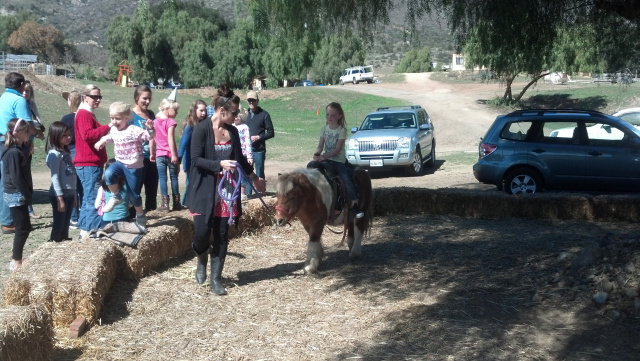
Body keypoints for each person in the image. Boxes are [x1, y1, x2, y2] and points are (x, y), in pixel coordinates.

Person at [184, 84, 265, 295]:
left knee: (221, 234)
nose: (238, 116)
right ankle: (201, 258)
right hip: (204, 189)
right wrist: (218, 165)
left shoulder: (233, 132)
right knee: (201, 233)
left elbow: (241, 161)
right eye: (235, 112)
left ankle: (216, 278)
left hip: (227, 190)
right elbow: (195, 160)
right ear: (222, 111)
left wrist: (255, 178)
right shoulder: (200, 129)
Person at [94, 102, 154, 229]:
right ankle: (116, 196)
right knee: (108, 174)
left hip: (134, 167)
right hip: (120, 162)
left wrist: (150, 128)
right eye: (112, 118)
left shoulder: (133, 130)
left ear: (127, 117)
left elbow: (149, 136)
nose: (114, 121)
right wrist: (102, 141)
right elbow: (110, 137)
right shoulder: (114, 129)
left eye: (118, 118)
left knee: (133, 195)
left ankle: (140, 215)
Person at [0, 72, 43, 235]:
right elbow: (26, 124)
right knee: (11, 179)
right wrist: (37, 134)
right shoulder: (19, 100)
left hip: (2, 140)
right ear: (22, 85)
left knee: (4, 180)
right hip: (11, 143)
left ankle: (6, 218)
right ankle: (8, 222)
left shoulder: (2, 97)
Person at [312, 102, 364, 219]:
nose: (329, 118)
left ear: (340, 116)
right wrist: (317, 154)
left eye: (333, 115)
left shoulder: (342, 130)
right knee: (310, 167)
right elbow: (320, 146)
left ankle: (354, 203)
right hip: (326, 159)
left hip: (338, 161)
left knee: (345, 179)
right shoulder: (323, 129)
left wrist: (324, 157)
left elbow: (337, 149)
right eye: (327, 115)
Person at [74, 84, 112, 237]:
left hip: (89, 163)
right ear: (85, 97)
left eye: (99, 97)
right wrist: (108, 126)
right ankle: (88, 230)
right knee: (91, 198)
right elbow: (88, 135)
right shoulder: (84, 114)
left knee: (88, 198)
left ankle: (84, 228)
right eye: (94, 96)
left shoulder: (86, 113)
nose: (97, 100)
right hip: (88, 163)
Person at [1, 119, 33, 270]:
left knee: (24, 228)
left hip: (19, 193)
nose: (29, 134)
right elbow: (16, 177)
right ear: (18, 133)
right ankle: (16, 262)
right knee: (22, 228)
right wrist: (27, 195)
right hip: (16, 194)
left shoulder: (18, 150)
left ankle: (17, 259)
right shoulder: (13, 152)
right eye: (27, 131)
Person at [45, 121, 76, 242]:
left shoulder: (65, 152)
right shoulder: (54, 154)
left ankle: (64, 244)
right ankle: (53, 245)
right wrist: (60, 199)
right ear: (56, 136)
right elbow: (55, 177)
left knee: (66, 224)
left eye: (69, 134)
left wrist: (74, 196)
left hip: (69, 193)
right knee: (59, 225)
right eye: (65, 135)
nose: (69, 137)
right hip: (60, 195)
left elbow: (71, 175)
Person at [131, 85, 158, 213]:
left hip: (152, 158)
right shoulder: (130, 116)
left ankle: (151, 216)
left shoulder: (151, 114)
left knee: (152, 190)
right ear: (137, 97)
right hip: (136, 159)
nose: (147, 101)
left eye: (149, 99)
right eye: (144, 98)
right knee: (135, 190)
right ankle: (132, 216)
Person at [22, 81, 47, 219]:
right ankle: (27, 209)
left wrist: (33, 137)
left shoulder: (31, 105)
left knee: (26, 177)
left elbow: (37, 122)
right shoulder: (19, 104)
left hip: (28, 145)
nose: (25, 93)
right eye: (23, 91)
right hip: (20, 145)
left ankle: (29, 208)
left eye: (28, 91)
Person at [244, 90, 274, 195]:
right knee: (248, 172)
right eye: (249, 100)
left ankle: (262, 194)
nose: (251, 102)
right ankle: (248, 195)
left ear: (257, 100)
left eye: (253, 100)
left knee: (259, 172)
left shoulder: (264, 115)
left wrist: (259, 137)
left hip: (259, 150)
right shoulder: (244, 114)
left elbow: (271, 133)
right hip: (247, 151)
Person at [178, 99, 207, 206]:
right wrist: (178, 160)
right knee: (191, 184)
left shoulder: (204, 125)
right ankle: (186, 204)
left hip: (202, 161)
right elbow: (183, 144)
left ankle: (194, 203)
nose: (203, 113)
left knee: (198, 184)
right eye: (201, 110)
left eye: (205, 111)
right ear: (194, 111)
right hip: (190, 162)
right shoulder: (190, 126)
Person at [60, 90, 82, 228]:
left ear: (71, 101)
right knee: (82, 186)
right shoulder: (86, 116)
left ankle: (74, 217)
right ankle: (83, 215)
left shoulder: (66, 118)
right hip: (83, 153)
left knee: (72, 186)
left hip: (71, 151)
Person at [154, 98, 181, 212]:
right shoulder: (170, 122)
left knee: (163, 179)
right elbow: (171, 139)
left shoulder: (154, 122)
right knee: (174, 178)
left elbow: (152, 139)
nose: (177, 112)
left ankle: (165, 204)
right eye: (175, 110)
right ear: (166, 109)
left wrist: (152, 153)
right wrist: (174, 155)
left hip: (159, 154)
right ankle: (176, 203)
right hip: (169, 154)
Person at [96, 159, 132, 227]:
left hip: (107, 221)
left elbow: (97, 205)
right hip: (125, 218)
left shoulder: (102, 188)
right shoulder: (127, 186)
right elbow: (131, 204)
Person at [232, 106, 253, 201]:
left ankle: (243, 193)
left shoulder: (244, 127)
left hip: (243, 154)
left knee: (243, 174)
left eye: (238, 117)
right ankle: (235, 191)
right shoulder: (231, 127)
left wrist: (249, 156)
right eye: (235, 116)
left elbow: (248, 142)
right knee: (234, 174)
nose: (236, 118)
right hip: (233, 154)